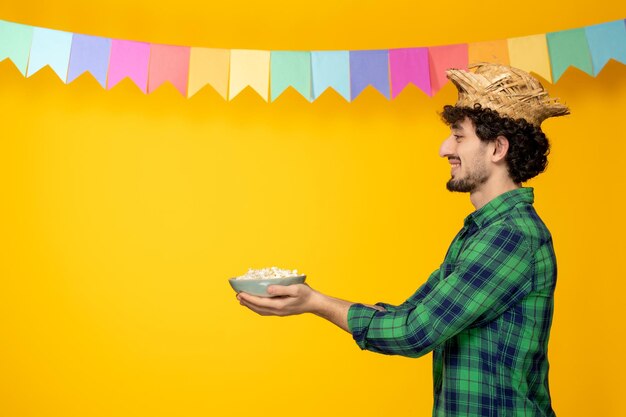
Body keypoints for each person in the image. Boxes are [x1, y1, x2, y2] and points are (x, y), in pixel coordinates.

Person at [236, 63, 569, 417]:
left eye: (458, 136)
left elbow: (413, 332)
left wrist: (315, 303)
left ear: (497, 148)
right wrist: (307, 298)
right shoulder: (482, 232)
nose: (444, 149)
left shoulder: (511, 237)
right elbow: (411, 314)